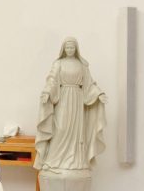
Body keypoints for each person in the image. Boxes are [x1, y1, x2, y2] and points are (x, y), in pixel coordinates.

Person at [35, 37, 107, 172]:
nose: (69, 50)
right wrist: (47, 92)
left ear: (76, 49)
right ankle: (53, 160)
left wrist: (99, 94)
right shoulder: (58, 63)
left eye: (72, 47)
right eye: (67, 47)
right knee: (60, 129)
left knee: (76, 132)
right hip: (63, 98)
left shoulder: (82, 65)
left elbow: (89, 83)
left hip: (77, 100)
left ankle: (77, 160)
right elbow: (52, 80)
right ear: (63, 49)